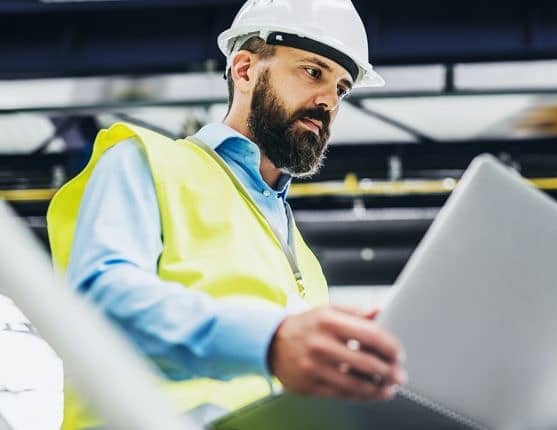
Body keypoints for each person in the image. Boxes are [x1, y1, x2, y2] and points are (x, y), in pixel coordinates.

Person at [46, 0, 407, 428]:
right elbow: (99, 304)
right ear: (244, 69)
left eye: (342, 89)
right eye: (313, 72)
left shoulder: (304, 260)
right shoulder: (146, 161)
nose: (328, 100)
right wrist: (269, 342)